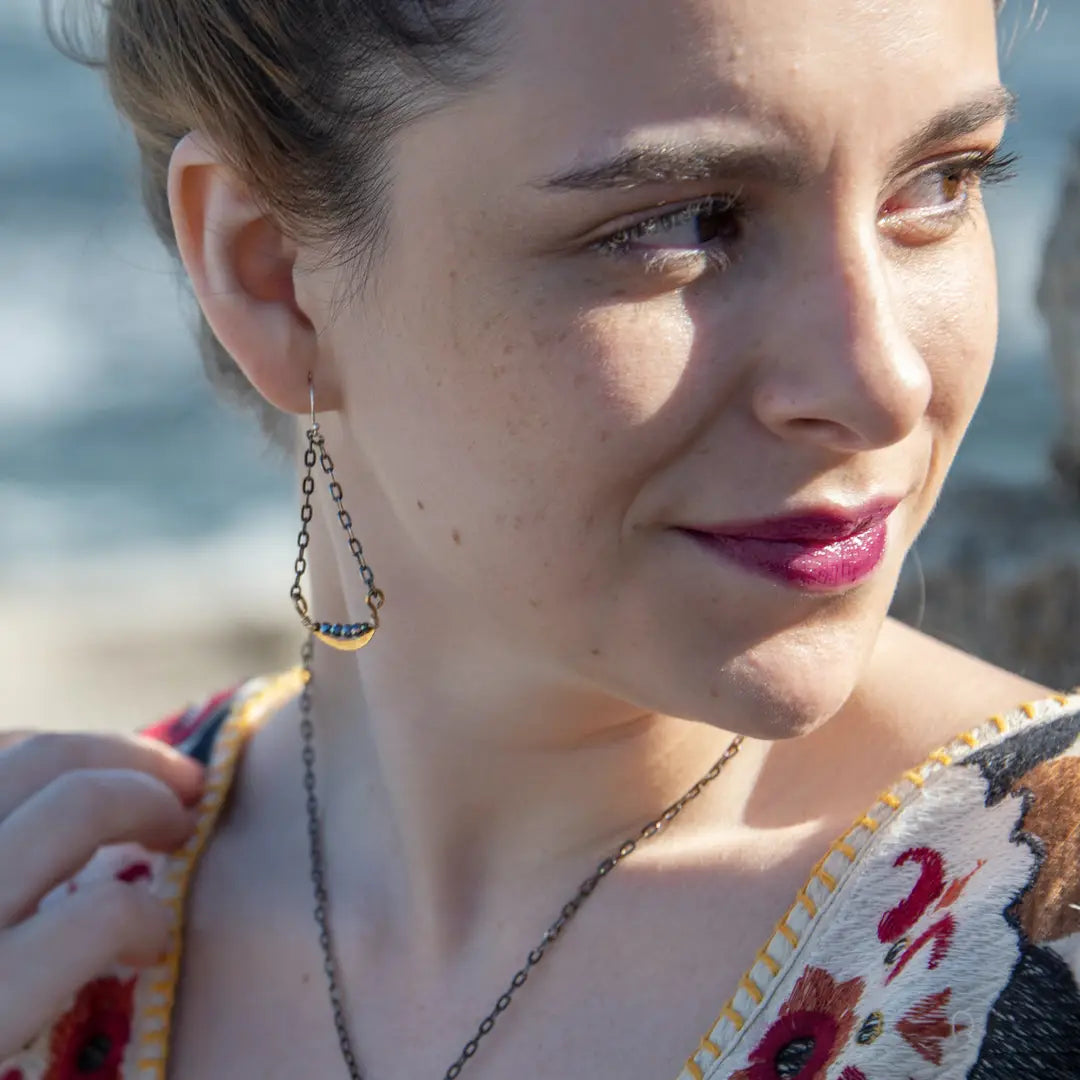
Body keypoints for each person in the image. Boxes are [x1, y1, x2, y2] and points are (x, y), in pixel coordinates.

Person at [3, 0, 1079, 1076]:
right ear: (273, 273)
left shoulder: (1045, 932)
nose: (883, 385)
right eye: (685, 222)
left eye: (941, 182)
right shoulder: (52, 907)